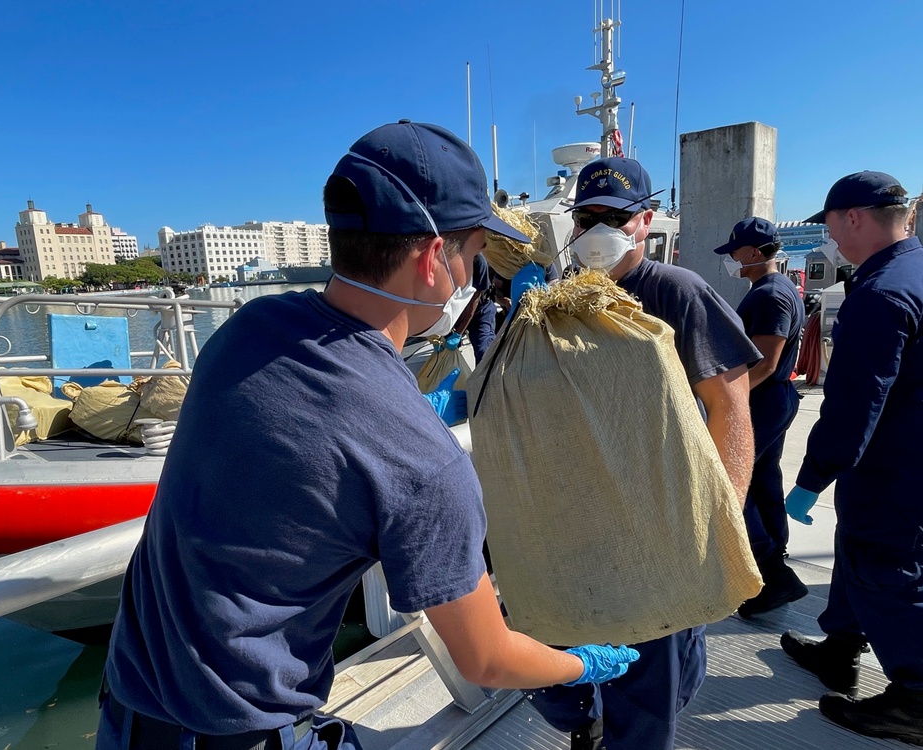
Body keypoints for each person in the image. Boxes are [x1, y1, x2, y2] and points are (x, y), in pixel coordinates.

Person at [96, 121, 639, 750]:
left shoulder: (248, 328)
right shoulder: (424, 465)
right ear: (437, 260)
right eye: (474, 256)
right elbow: (486, 659)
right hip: (236, 732)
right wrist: (584, 663)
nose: (475, 275)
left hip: (128, 707)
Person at [526, 156, 761, 750]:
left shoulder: (677, 292)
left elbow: (730, 407)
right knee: (566, 651)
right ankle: (590, 724)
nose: (599, 228)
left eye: (616, 215)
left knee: (653, 669)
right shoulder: (565, 298)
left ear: (646, 220)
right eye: (587, 215)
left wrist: (722, 520)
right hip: (585, 520)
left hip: (660, 521)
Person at [778, 171, 923, 744]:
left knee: (884, 567)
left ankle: (915, 696)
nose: (829, 238)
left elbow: (853, 404)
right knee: (856, 555)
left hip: (892, 468)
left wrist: (812, 478)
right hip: (905, 456)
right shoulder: (913, 272)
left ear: (855, 218)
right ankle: (841, 644)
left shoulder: (881, 292)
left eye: (831, 224)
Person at [712, 217, 808, 617]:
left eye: (735, 252)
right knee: (764, 476)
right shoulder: (777, 288)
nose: (732, 260)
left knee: (732, 481)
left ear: (753, 252)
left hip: (762, 398)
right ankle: (774, 555)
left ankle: (771, 573)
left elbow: (766, 363)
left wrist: (725, 399)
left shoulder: (770, 295)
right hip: (774, 397)